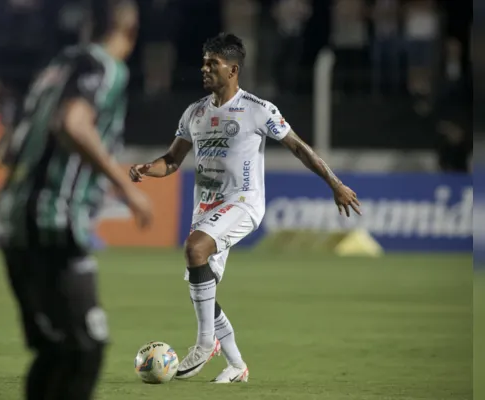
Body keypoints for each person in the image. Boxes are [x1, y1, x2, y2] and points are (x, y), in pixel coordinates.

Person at [129, 32, 362, 383]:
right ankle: (236, 364)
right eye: (204, 62)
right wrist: (149, 168)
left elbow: (299, 147)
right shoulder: (195, 112)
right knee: (202, 284)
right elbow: (172, 160)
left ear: (233, 69)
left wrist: (335, 183)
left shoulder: (258, 109)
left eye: (213, 63)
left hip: (242, 202)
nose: (204, 69)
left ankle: (206, 343)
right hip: (205, 209)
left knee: (195, 249)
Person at [0, 2, 150, 399]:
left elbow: (10, 147)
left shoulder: (57, 67)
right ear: (130, 31)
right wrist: (126, 187)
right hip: (53, 221)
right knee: (84, 349)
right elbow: (74, 124)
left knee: (56, 351)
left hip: (14, 220)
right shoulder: (107, 68)